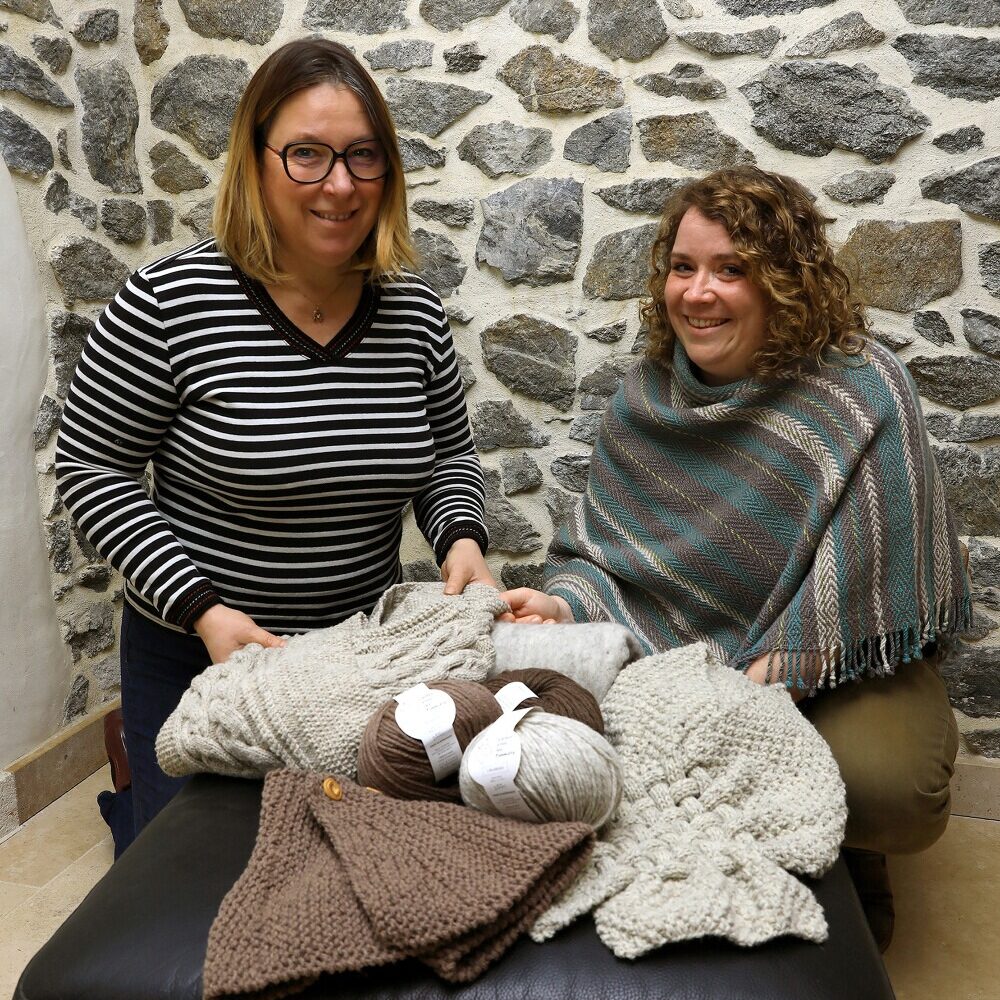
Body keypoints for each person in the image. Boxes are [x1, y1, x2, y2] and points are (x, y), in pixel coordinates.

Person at [500, 165, 970, 950]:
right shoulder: (643, 401)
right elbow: (603, 561)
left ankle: (857, 856)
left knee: (890, 785)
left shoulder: (860, 389)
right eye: (683, 268)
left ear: (784, 281)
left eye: (731, 269)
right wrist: (563, 606)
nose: (697, 292)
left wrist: (769, 678)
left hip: (836, 653)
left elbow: (873, 568)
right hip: (681, 652)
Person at [55, 39, 493, 854]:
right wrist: (204, 610)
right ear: (255, 163)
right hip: (203, 660)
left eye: (364, 157)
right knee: (197, 875)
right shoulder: (168, 300)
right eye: (307, 155)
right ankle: (136, 785)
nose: (340, 184)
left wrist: (461, 537)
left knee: (345, 861)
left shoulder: (414, 313)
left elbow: (444, 458)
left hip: (354, 661)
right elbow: (93, 466)